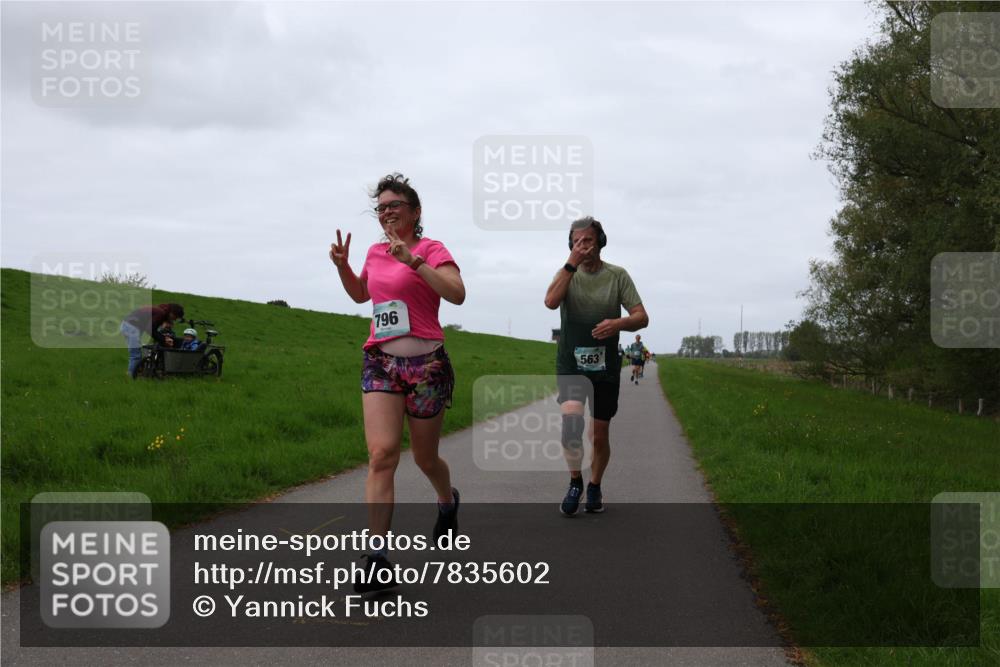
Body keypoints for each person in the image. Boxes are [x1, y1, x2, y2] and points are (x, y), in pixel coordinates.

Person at [330, 172, 465, 592]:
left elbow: (457, 294)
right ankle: (377, 558)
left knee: (426, 459)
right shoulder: (374, 251)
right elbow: (360, 295)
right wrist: (343, 268)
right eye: (381, 206)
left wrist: (415, 261)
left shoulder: (431, 248)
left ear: (415, 212)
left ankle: (447, 500)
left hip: (427, 367)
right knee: (382, 454)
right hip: (381, 363)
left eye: (395, 205)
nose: (386, 212)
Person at [544, 216, 648, 515]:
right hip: (571, 363)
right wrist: (569, 264)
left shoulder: (618, 276)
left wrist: (619, 322)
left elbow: (642, 317)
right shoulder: (567, 273)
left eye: (587, 240)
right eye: (576, 242)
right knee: (571, 427)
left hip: (605, 367)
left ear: (600, 242)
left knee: (599, 435)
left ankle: (595, 485)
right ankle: (575, 481)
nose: (582, 246)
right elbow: (551, 302)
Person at [120, 303, 184, 378]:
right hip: (131, 327)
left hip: (129, 326)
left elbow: (152, 329)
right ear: (172, 313)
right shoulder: (161, 313)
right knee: (135, 354)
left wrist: (163, 338)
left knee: (137, 353)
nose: (175, 319)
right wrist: (164, 340)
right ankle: (131, 376)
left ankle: (136, 373)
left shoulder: (160, 311)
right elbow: (150, 329)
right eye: (176, 316)